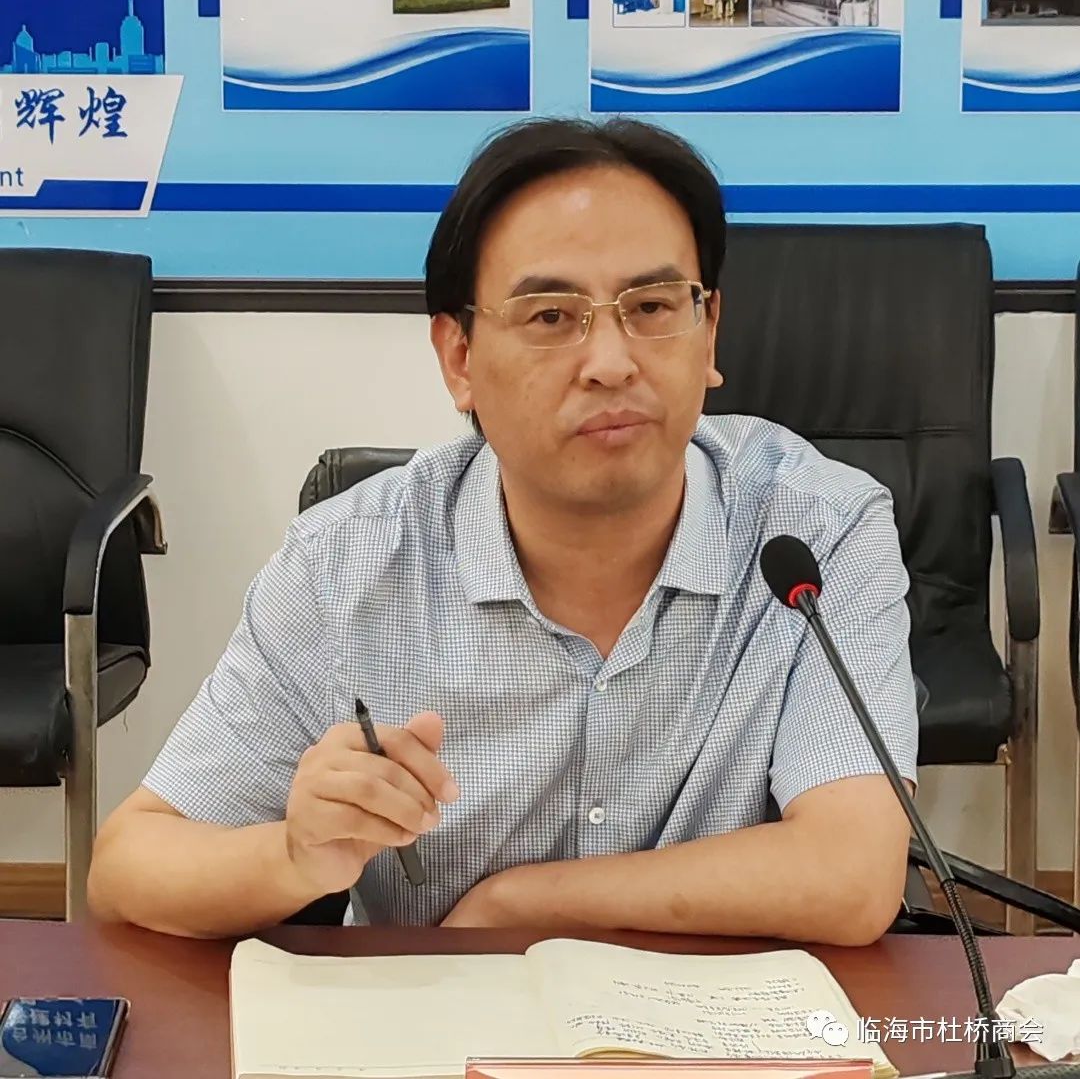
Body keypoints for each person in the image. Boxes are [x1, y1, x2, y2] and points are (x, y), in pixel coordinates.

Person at [87, 116, 918, 943]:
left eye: (653, 306)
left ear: (709, 332)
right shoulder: (345, 567)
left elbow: (851, 874)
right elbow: (129, 867)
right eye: (551, 317)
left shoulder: (815, 533)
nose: (612, 363)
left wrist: (519, 905)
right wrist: (296, 857)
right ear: (459, 358)